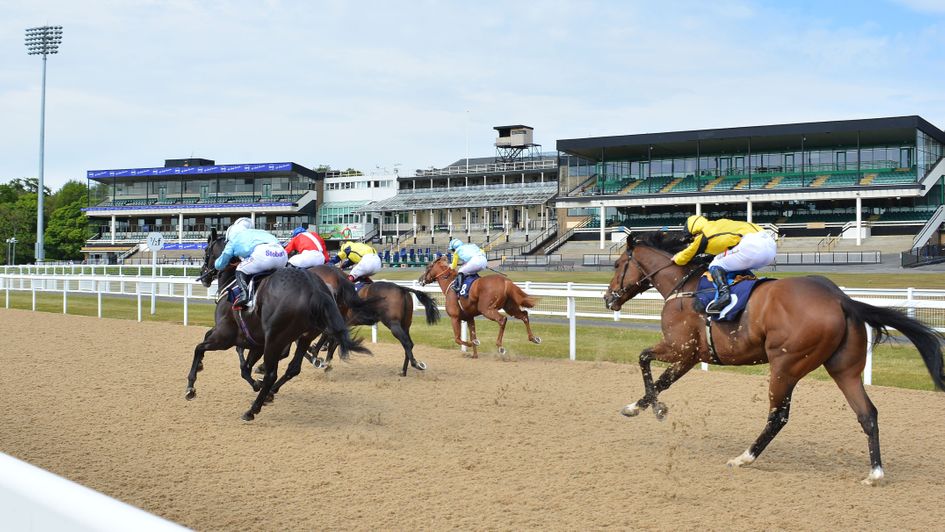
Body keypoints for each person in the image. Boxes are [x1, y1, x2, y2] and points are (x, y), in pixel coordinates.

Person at [671, 214, 777, 314]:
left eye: (692, 238)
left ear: (695, 232)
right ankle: (752, 283)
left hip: (752, 245)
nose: (693, 240)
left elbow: (685, 257)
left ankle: (723, 295)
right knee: (731, 263)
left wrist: (676, 258)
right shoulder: (718, 224)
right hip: (770, 246)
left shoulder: (704, 234)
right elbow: (725, 250)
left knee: (715, 264)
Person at [214, 217, 287, 309]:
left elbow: (220, 264)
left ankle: (244, 295)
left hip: (263, 255)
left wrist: (217, 264)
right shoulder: (260, 232)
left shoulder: (233, 239)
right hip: (282, 255)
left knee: (241, 268)